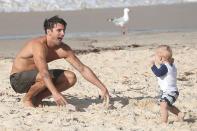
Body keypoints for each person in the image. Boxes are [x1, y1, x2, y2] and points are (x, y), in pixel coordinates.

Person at [10, 15, 110, 108]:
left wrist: (102, 87)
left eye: (63, 30)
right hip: (18, 80)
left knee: (70, 77)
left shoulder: (63, 49)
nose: (63, 33)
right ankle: (27, 99)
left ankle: (38, 98)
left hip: (38, 78)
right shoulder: (38, 45)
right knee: (45, 75)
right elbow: (44, 72)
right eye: (59, 30)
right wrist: (55, 93)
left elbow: (82, 69)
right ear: (49, 32)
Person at [150, 45, 184, 124]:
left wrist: (152, 65)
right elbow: (170, 62)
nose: (155, 59)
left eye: (156, 57)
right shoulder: (171, 65)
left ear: (161, 59)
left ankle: (164, 122)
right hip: (173, 91)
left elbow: (158, 73)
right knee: (167, 106)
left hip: (169, 91)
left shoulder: (164, 67)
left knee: (163, 105)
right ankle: (179, 114)